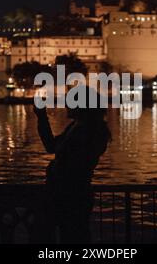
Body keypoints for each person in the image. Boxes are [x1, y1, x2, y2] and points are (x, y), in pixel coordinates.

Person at [34, 86, 111, 244]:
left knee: (72, 236)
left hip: (71, 195)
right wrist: (42, 117)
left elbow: (70, 160)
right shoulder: (78, 127)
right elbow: (52, 146)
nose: (66, 105)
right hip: (68, 194)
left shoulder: (88, 130)